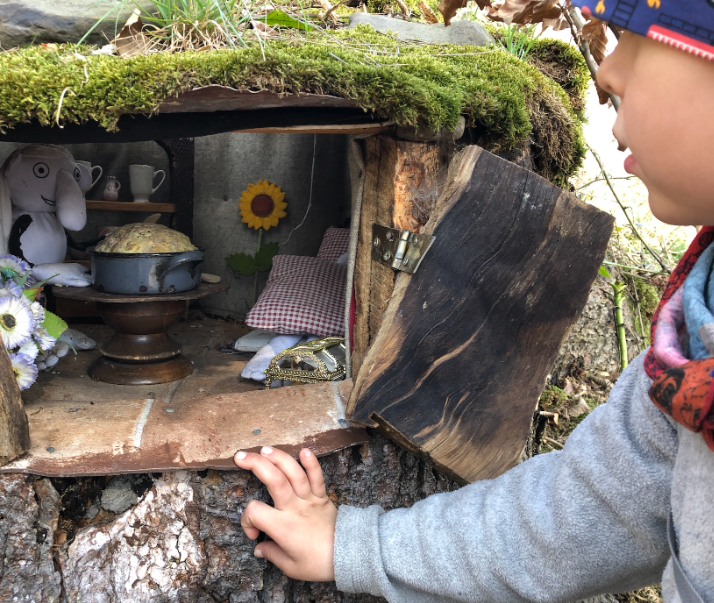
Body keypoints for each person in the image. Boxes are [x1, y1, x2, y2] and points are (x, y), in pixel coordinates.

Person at [233, 2, 714, 602]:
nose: (609, 72)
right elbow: (592, 510)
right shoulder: (691, 336)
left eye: (639, 36)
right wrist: (356, 545)